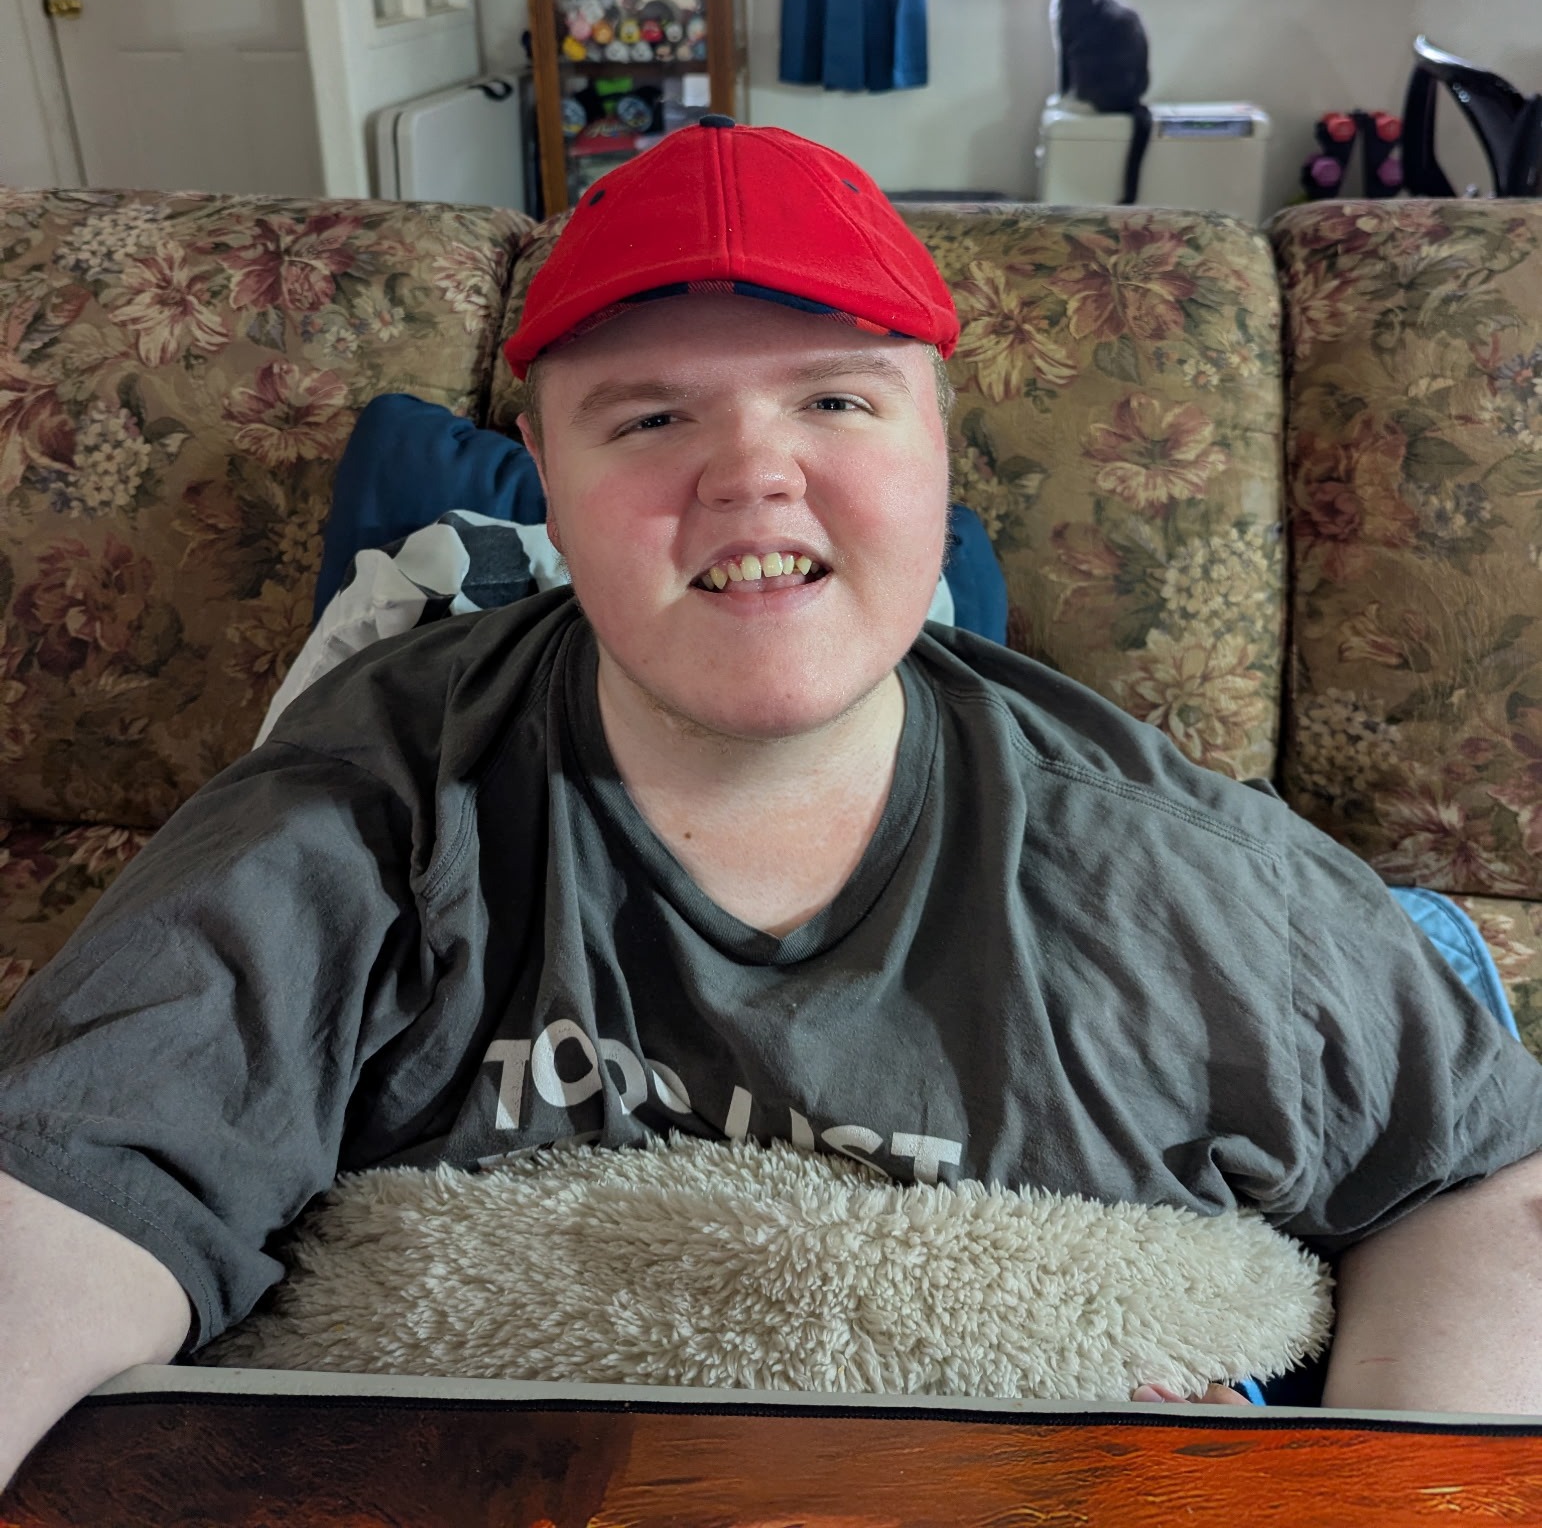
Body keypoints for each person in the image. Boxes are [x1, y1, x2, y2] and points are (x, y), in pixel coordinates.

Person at [3, 118, 1542, 1484]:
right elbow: (67, 1193)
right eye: (649, 418)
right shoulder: (363, 809)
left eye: (835, 400)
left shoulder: (1174, 871)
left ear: (939, 445)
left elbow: (1478, 1185)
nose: (750, 474)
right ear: (544, 475)